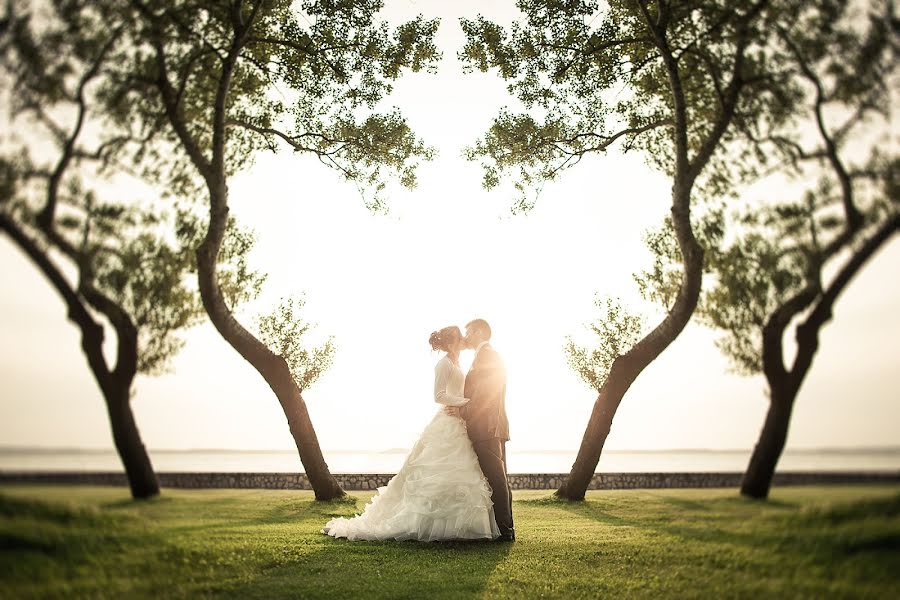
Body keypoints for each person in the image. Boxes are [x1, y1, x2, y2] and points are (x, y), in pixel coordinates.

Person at [321, 325, 500, 542]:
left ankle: (460, 527)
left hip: (459, 422)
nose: (464, 339)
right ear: (453, 341)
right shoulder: (443, 364)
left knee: (462, 472)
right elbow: (439, 395)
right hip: (447, 421)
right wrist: (465, 403)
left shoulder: (458, 363)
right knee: (436, 471)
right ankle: (429, 525)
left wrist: (465, 408)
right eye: (460, 336)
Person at [445, 318, 514, 541]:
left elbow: (487, 394)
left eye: (469, 332)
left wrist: (462, 411)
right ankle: (504, 528)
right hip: (490, 425)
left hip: (487, 427)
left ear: (479, 332)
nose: (466, 337)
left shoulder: (488, 356)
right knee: (498, 478)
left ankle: (506, 531)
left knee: (496, 479)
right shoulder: (483, 355)